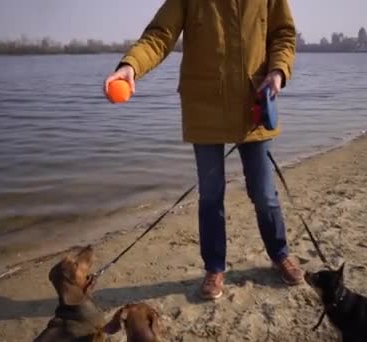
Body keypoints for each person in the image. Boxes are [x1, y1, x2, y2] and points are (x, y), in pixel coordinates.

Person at [103, 0, 303, 300]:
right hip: (204, 105)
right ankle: (214, 268)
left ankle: (280, 253)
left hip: (254, 102)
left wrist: (277, 71)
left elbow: (284, 34)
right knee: (210, 195)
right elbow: (160, 34)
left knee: (263, 193)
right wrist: (131, 65)